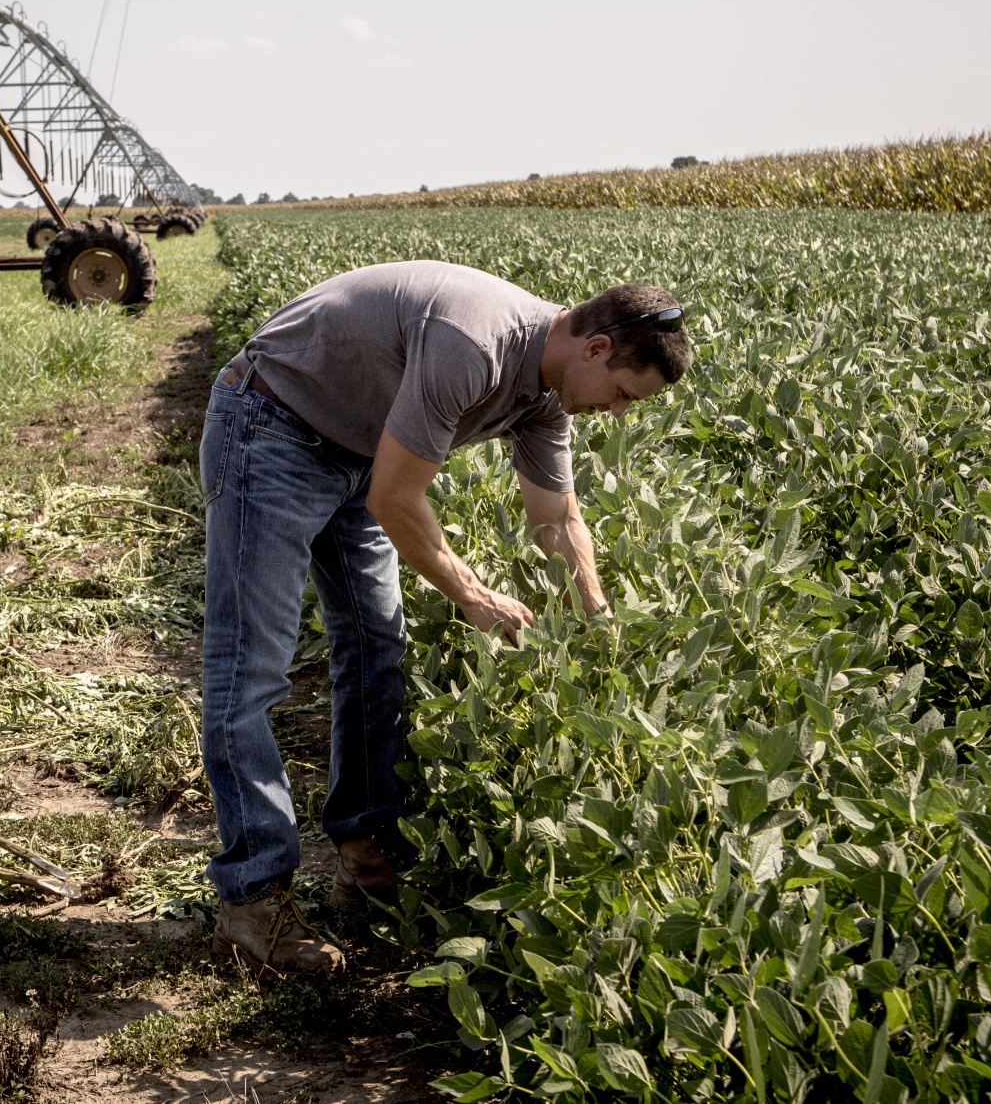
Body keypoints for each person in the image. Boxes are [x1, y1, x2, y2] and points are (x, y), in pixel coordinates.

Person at [198, 261, 690, 971]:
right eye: (619, 395)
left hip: (357, 452)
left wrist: (601, 629)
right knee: (250, 669)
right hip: (270, 426)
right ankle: (252, 899)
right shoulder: (476, 342)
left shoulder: (548, 396)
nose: (614, 413)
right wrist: (474, 594)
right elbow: (397, 499)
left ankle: (366, 858)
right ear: (598, 348)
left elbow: (557, 519)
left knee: (377, 646)